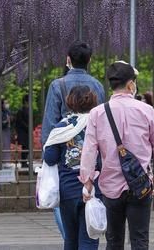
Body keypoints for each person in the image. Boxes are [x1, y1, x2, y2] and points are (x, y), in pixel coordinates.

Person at [80, 61, 154, 250]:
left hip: (110, 185)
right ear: (131, 84)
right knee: (140, 240)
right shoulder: (146, 110)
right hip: (140, 184)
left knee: (113, 240)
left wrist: (87, 181)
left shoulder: (97, 113)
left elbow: (89, 150)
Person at [44, 86, 102, 250]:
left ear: (69, 102)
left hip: (68, 190)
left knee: (70, 239)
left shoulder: (62, 127)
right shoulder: (99, 124)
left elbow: (49, 158)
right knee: (90, 238)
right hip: (94, 189)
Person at [0, 98, 12, 165]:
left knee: (6, 145)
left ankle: (6, 160)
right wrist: (6, 121)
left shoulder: (7, 111)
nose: (6, 105)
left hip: (6, 130)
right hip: (1, 131)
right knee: (0, 145)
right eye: (5, 103)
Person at [16, 95, 30, 168]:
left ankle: (25, 161)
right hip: (23, 132)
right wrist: (28, 127)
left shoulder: (28, 109)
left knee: (27, 147)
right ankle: (23, 162)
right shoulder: (21, 110)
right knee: (25, 147)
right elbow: (20, 121)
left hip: (27, 132)